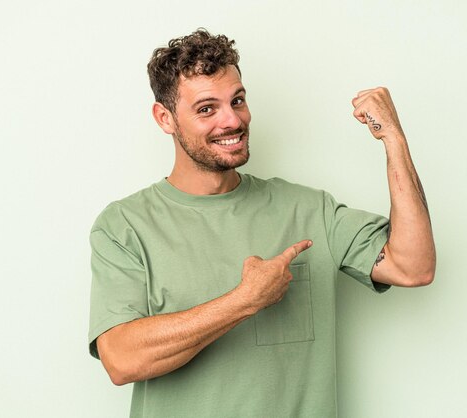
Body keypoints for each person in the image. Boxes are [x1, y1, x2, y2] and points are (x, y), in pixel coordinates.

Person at [88, 29, 435, 418]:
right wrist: (245, 300)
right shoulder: (124, 225)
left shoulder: (308, 209)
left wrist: (394, 139)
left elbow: (413, 265)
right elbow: (120, 360)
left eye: (237, 100)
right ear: (165, 118)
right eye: (207, 109)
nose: (232, 120)